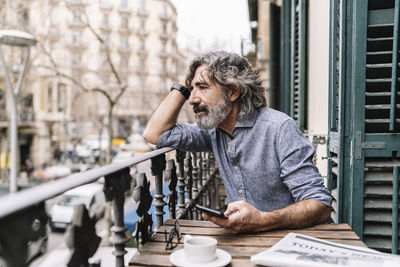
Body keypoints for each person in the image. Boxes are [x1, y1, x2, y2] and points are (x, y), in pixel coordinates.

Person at [143, 51, 332, 233]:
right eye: (191, 89)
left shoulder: (279, 129)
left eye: (202, 87)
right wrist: (183, 86)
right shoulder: (212, 131)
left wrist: (262, 220)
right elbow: (154, 134)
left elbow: (319, 205)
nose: (191, 99)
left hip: (286, 241)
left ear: (233, 92)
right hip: (243, 243)